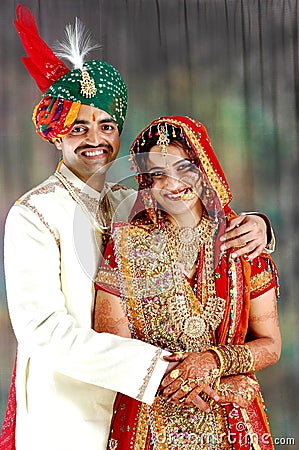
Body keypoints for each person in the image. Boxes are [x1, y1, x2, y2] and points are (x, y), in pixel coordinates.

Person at [1, 5, 275, 450]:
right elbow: (44, 331)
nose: (95, 139)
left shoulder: (129, 203)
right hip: (70, 411)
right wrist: (158, 368)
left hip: (144, 413)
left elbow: (199, 214)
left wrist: (259, 226)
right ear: (56, 134)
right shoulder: (34, 214)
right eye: (78, 126)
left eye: (106, 125)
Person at [95, 116, 281, 449]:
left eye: (183, 168)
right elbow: (112, 344)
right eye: (157, 175)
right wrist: (184, 378)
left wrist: (214, 361)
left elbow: (270, 344)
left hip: (232, 420)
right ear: (145, 182)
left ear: (204, 167)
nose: (172, 184)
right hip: (150, 423)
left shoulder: (243, 239)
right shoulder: (126, 245)